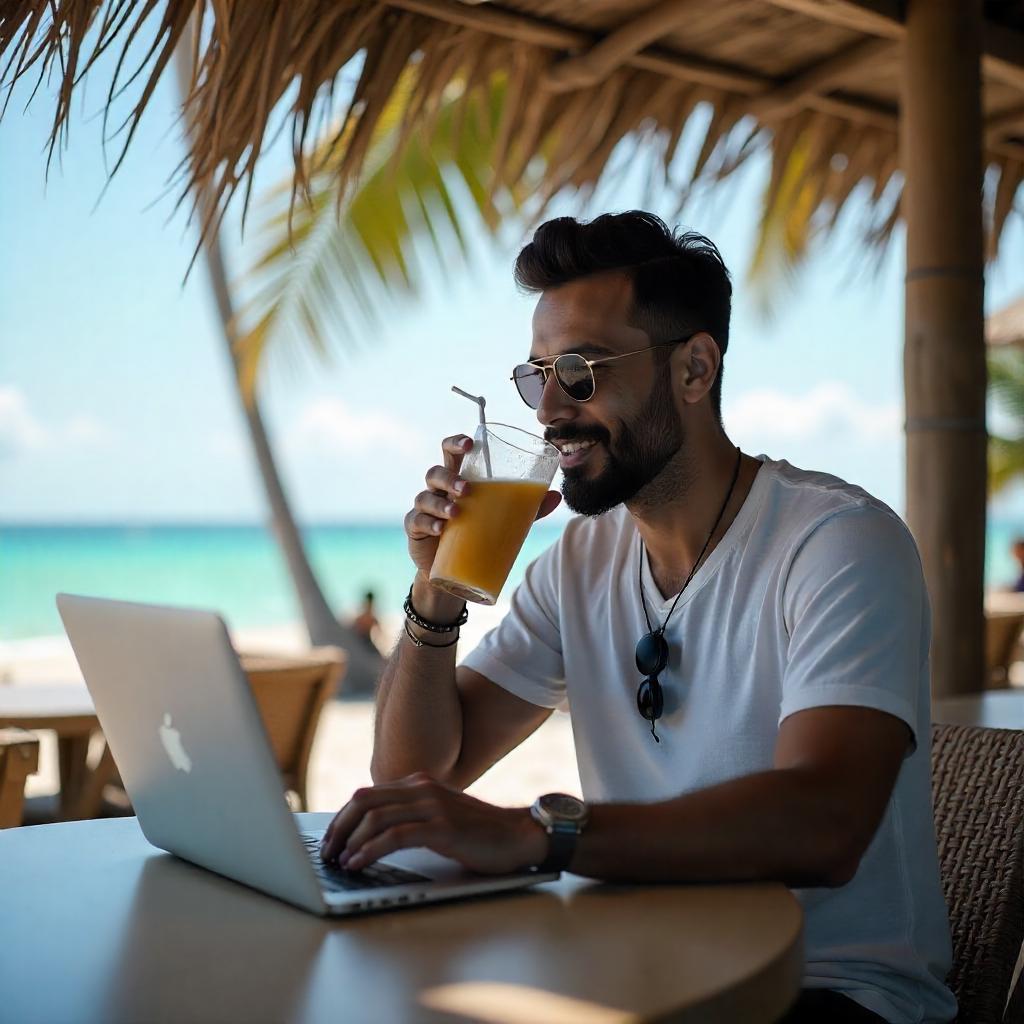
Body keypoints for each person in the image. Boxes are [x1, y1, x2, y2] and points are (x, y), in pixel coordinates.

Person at [319, 213, 956, 1023]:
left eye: (580, 371)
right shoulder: (579, 566)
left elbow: (824, 824)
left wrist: (538, 834)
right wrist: (437, 590)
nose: (548, 409)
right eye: (536, 374)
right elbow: (419, 774)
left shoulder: (837, 543)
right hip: (639, 968)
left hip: (828, 989)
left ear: (694, 369)